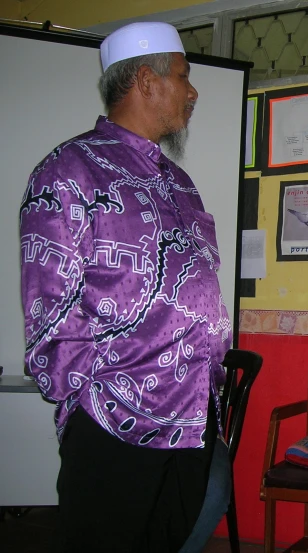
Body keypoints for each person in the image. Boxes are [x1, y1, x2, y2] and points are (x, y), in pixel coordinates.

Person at [19, 22, 232, 553]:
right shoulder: (70, 172)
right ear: (146, 80)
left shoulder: (178, 183)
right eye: (183, 77)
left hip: (193, 414)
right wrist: (91, 405)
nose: (193, 91)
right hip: (116, 423)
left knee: (187, 528)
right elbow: (50, 312)